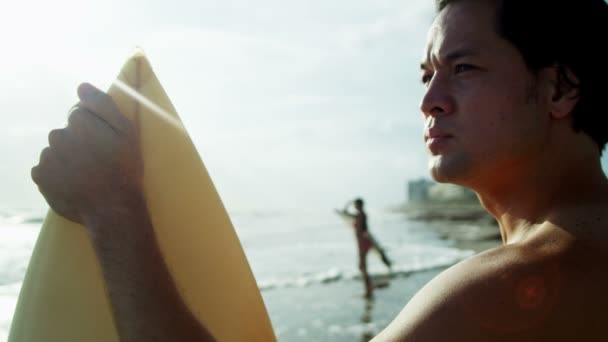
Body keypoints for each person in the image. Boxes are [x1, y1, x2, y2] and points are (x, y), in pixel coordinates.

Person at [32, 0, 608, 340]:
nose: (429, 99)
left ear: (558, 88)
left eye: (463, 67)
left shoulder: (504, 292)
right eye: (426, 74)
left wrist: (112, 207)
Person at [340, 198, 392, 298]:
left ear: (359, 205)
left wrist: (348, 203)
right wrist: (349, 203)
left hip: (363, 243)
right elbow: (344, 213)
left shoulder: (360, 215)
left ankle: (369, 291)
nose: (354, 206)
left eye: (355, 204)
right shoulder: (359, 215)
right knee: (362, 267)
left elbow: (361, 229)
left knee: (362, 267)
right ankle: (369, 289)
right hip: (363, 242)